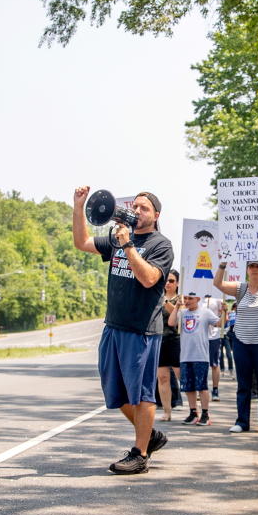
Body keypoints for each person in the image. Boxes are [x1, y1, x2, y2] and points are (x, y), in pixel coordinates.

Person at [71, 187, 174, 475]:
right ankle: (149, 434)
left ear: (156, 215)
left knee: (141, 393)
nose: (138, 211)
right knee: (114, 391)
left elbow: (149, 278)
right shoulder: (117, 239)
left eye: (144, 208)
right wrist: (78, 208)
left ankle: (140, 454)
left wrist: (128, 246)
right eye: (135, 207)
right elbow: (81, 242)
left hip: (141, 330)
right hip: (113, 326)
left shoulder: (160, 245)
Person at [213, 245, 258, 435]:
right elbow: (218, 284)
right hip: (242, 343)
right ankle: (242, 421)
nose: (255, 269)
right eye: (251, 266)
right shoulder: (240, 289)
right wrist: (223, 263)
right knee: (243, 384)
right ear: (247, 269)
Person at [170, 293, 220, 425]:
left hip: (200, 356)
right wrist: (176, 307)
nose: (187, 301)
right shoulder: (183, 312)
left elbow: (219, 323)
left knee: (201, 386)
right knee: (188, 387)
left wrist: (224, 311)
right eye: (185, 298)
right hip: (185, 355)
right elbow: (171, 322)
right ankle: (193, 412)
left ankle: (205, 414)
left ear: (198, 299)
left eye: (190, 298)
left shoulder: (205, 312)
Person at [157, 270, 183, 422]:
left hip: (176, 339)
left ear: (178, 283)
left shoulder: (181, 298)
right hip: (159, 339)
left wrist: (166, 303)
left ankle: (196, 408)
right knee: (163, 377)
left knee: (181, 375)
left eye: (172, 281)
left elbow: (181, 316)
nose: (168, 283)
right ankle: (167, 411)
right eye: (166, 280)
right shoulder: (157, 296)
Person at [206, 293, 226, 399]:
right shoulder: (196, 296)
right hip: (200, 335)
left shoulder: (217, 297)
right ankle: (201, 388)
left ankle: (215, 390)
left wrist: (225, 311)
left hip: (214, 335)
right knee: (200, 363)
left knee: (214, 364)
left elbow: (223, 321)